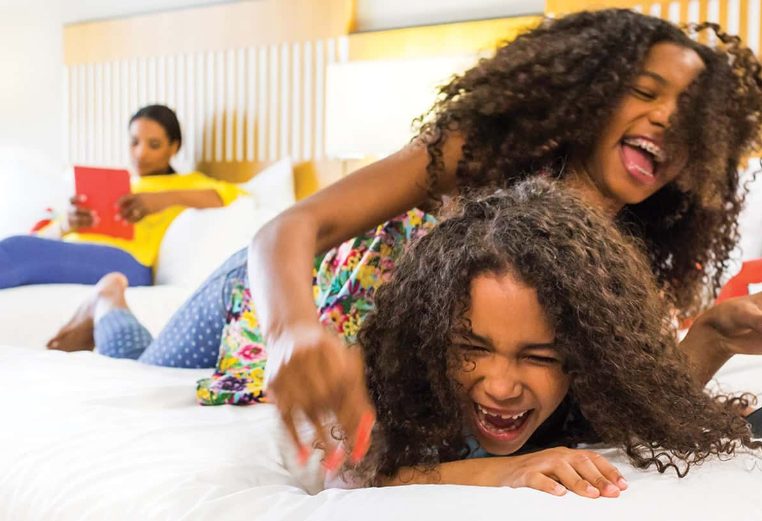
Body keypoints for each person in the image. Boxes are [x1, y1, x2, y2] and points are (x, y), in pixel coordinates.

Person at [50, 10, 762, 453]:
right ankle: (108, 298)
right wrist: (292, 330)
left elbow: (612, 405)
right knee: (144, 364)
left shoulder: (629, 255)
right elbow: (289, 228)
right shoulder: (481, 153)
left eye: (691, 113)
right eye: (644, 92)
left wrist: (714, 335)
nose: (668, 117)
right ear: (592, 92)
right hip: (277, 298)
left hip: (376, 379)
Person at [337, 179, 761, 497]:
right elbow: (365, 473)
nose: (501, 387)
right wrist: (505, 471)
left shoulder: (587, 388)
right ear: (430, 337)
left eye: (538, 357)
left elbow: (647, 406)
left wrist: (715, 335)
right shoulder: (397, 385)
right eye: (472, 348)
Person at [0, 104, 241, 291]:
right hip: (76, 248)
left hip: (129, 264)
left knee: (17, 249)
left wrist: (159, 200)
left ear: (174, 147)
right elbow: (38, 237)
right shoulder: (117, 184)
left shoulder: (188, 184)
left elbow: (228, 196)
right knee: (18, 247)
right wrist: (67, 224)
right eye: (134, 142)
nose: (141, 153)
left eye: (154, 144)